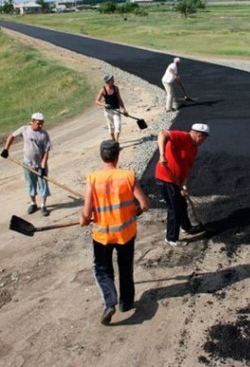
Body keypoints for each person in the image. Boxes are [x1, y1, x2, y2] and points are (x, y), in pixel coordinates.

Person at [80, 140, 150, 325]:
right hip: (126, 234)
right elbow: (144, 204)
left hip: (102, 236)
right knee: (125, 269)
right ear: (117, 155)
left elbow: (86, 214)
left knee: (102, 270)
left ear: (101, 155)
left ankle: (110, 302)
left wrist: (84, 219)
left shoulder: (93, 178)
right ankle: (126, 303)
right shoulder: (128, 176)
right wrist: (133, 212)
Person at [155, 123, 209, 247]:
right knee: (175, 208)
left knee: (182, 204)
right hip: (165, 178)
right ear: (199, 136)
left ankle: (186, 227)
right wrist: (162, 155)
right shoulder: (183, 136)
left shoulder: (194, 149)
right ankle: (171, 238)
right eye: (204, 139)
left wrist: (184, 185)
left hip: (177, 181)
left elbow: (187, 168)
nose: (204, 142)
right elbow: (162, 133)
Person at [1, 112, 52, 216]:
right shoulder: (25, 129)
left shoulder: (44, 134)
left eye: (42, 123)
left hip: (40, 165)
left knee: (43, 184)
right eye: (38, 123)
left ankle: (43, 206)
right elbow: (12, 136)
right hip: (27, 164)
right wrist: (6, 149)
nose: (40, 125)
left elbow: (46, 152)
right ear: (32, 121)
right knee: (30, 184)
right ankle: (33, 203)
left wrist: (42, 167)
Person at [95, 74, 127, 142]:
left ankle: (116, 142)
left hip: (116, 110)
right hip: (108, 112)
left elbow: (119, 100)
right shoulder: (103, 90)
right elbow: (97, 101)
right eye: (112, 79)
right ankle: (113, 140)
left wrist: (124, 109)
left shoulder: (116, 88)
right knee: (111, 127)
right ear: (107, 81)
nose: (113, 80)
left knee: (117, 126)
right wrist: (104, 104)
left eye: (113, 79)